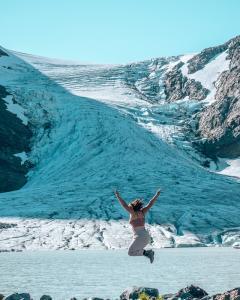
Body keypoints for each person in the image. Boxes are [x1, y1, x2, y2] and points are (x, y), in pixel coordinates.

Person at [114, 189, 161, 263]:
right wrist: (156, 195)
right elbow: (150, 203)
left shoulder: (133, 213)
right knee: (133, 251)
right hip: (145, 236)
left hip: (140, 236)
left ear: (132, 207)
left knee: (130, 252)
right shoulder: (143, 212)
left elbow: (124, 205)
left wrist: (118, 196)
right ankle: (148, 253)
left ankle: (149, 253)